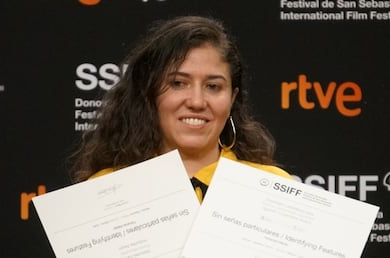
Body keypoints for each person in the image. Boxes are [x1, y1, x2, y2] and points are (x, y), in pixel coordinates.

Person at [68, 15, 292, 202]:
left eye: (213, 86)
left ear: (232, 98)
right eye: (178, 83)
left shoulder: (275, 189)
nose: (196, 101)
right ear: (150, 91)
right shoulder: (103, 191)